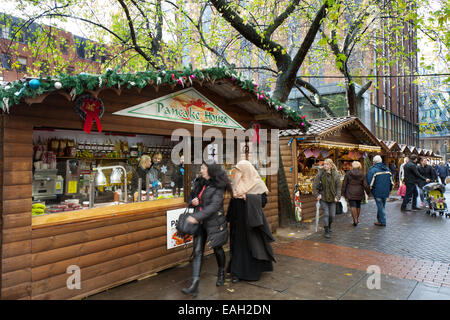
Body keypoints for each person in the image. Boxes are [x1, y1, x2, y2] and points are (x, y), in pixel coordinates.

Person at [181, 161, 232, 297]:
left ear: (211, 170)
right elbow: (191, 197)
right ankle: (194, 284)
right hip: (200, 224)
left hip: (214, 223)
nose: (201, 170)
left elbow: (214, 206)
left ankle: (221, 272)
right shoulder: (200, 182)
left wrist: (196, 216)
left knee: (217, 249)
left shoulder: (218, 186)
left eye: (203, 168)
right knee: (197, 251)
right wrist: (194, 200)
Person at [226, 160, 275, 283]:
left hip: (251, 223)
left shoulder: (257, 183)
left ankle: (251, 272)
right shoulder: (237, 184)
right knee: (237, 247)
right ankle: (236, 273)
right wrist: (229, 218)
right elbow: (233, 201)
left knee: (252, 247)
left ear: (246, 170)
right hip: (237, 223)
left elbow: (263, 202)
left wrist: (248, 197)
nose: (237, 173)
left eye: (239, 170)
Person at [313, 158, 342, 239]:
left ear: (331, 165)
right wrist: (317, 195)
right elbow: (314, 186)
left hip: (333, 198)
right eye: (324, 164)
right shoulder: (320, 174)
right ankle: (326, 230)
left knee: (332, 215)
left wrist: (337, 196)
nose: (325, 165)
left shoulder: (336, 174)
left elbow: (338, 188)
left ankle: (329, 226)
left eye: (327, 164)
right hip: (323, 197)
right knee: (326, 214)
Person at [366, 155, 394, 227]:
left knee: (380, 206)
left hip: (377, 191)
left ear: (374, 162)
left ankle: (383, 221)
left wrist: (370, 190)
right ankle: (380, 220)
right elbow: (391, 181)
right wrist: (390, 189)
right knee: (382, 206)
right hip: (385, 191)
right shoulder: (387, 169)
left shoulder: (372, 170)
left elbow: (370, 182)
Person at [342, 161, 371, 226]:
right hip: (359, 191)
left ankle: (355, 220)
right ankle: (356, 219)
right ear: (359, 166)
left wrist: (343, 193)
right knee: (358, 205)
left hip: (350, 191)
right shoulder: (362, 174)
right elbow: (365, 185)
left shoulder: (348, 173)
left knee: (352, 205)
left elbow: (344, 184)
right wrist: (368, 192)